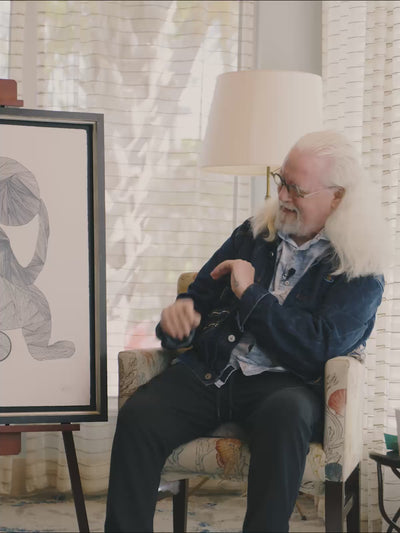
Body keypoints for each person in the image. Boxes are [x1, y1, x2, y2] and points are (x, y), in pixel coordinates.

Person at [105, 130, 388, 532]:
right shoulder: (253, 233)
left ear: (337, 197)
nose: (283, 196)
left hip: (286, 385)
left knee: (287, 415)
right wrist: (178, 321)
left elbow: (317, 349)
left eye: (296, 189)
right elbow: (198, 297)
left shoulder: (359, 268)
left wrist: (251, 294)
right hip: (212, 370)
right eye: (281, 180)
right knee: (140, 416)